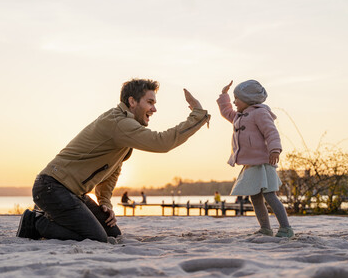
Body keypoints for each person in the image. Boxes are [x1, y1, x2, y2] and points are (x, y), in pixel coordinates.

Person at [17, 78, 210, 242]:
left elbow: (112, 171)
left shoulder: (126, 127)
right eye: (150, 102)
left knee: (113, 234)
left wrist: (105, 203)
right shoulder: (119, 123)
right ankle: (36, 222)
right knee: (96, 239)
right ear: (132, 101)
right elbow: (162, 143)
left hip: (72, 192)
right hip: (52, 187)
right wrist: (197, 116)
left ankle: (48, 216)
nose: (154, 109)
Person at [216, 80, 294, 238]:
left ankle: (286, 228)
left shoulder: (260, 113)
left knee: (270, 196)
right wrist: (223, 95)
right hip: (250, 164)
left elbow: (271, 132)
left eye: (236, 98)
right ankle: (265, 228)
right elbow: (226, 112)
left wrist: (275, 150)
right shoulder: (239, 116)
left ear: (248, 99)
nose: (234, 102)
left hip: (263, 163)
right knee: (255, 198)